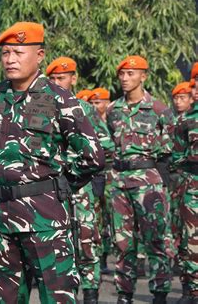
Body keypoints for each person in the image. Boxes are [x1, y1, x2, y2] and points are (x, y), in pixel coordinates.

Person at [0, 22, 104, 303]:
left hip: (45, 221)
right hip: (2, 221)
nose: (10, 60)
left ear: (40, 55)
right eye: (6, 53)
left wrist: (56, 185)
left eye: (18, 52)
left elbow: (92, 156)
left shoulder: (60, 99)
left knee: (56, 297)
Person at [107, 55, 173, 303]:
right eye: (122, 74)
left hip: (148, 183)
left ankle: (160, 293)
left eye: (131, 74)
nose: (125, 79)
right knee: (123, 243)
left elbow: (170, 151)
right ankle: (124, 294)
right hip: (120, 183)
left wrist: (162, 184)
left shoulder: (159, 110)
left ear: (143, 76)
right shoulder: (113, 110)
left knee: (155, 239)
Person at [46, 56, 112, 303]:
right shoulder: (41, 108)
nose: (56, 82)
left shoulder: (84, 110)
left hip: (79, 184)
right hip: (52, 187)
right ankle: (65, 291)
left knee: (86, 238)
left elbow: (104, 144)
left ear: (73, 79)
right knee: (58, 242)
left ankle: (91, 291)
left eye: (61, 78)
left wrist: (83, 170)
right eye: (52, 79)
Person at [172, 63, 198, 304]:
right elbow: (177, 156)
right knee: (191, 241)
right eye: (196, 81)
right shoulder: (186, 120)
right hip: (193, 185)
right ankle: (193, 290)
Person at [88, 88, 115, 275]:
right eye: (93, 103)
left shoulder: (114, 120)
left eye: (98, 102)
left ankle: (108, 252)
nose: (95, 106)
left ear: (107, 102)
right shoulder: (91, 121)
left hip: (112, 175)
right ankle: (100, 256)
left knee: (110, 217)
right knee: (97, 218)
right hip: (96, 175)